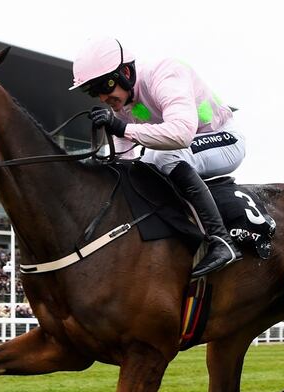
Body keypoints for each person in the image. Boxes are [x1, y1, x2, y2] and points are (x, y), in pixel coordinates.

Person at [70, 37, 245, 278]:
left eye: (104, 86)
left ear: (126, 72)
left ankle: (222, 241)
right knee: (142, 170)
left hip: (224, 139)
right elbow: (125, 157)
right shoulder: (122, 104)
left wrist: (121, 128)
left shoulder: (164, 73)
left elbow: (181, 134)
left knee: (161, 157)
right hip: (187, 148)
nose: (102, 98)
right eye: (94, 92)